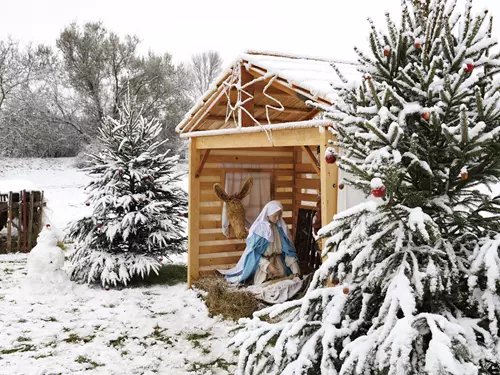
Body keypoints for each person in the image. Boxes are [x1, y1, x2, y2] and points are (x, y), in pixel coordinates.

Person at [219, 201, 301, 285]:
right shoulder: (259, 230)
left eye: (279, 215)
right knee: (265, 286)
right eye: (275, 215)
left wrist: (295, 271)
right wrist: (268, 266)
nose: (277, 218)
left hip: (279, 266)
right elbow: (253, 254)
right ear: (268, 214)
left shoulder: (281, 230)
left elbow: (289, 253)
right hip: (263, 268)